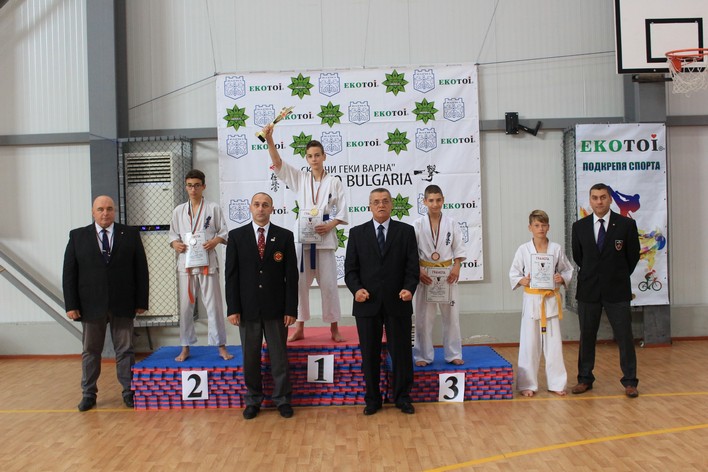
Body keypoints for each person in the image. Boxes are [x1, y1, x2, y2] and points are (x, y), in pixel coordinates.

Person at [62, 195, 149, 412]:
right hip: (91, 305)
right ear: (93, 212)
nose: (105, 213)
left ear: (115, 211)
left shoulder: (130, 234)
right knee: (90, 351)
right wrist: (71, 305)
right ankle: (88, 394)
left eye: (109, 209)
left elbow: (141, 269)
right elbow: (69, 273)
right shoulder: (77, 236)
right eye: (100, 209)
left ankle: (129, 392)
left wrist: (141, 301)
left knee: (125, 350)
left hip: (123, 303)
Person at [263, 124, 348, 342]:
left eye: (317, 155)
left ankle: (334, 328)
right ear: (306, 158)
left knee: (329, 285)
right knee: (299, 284)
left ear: (324, 156)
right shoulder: (300, 178)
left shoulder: (334, 182)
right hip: (303, 239)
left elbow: (342, 211)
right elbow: (278, 163)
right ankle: (299, 326)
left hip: (325, 239)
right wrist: (270, 140)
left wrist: (331, 225)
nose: (314, 159)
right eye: (310, 156)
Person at [345, 188, 419, 415]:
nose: (381, 205)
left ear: (391, 205)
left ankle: (402, 397)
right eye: (376, 202)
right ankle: (372, 399)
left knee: (402, 354)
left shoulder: (406, 232)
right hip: (367, 303)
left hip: (398, 302)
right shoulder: (357, 233)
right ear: (369, 206)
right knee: (369, 355)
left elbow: (412, 267)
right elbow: (350, 270)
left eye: (385, 201)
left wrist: (409, 288)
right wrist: (356, 290)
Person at [225, 192, 298, 419]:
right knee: (250, 358)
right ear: (250, 207)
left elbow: (291, 277)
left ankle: (282, 399)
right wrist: (233, 308)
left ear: (272, 209)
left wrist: (291, 309)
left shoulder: (284, 236)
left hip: (276, 310)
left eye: (265, 205)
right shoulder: (236, 237)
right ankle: (253, 400)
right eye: (257, 204)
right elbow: (231, 276)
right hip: (247, 309)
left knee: (279, 358)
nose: (260, 208)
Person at [571, 183, 641, 398]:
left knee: (624, 336)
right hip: (589, 289)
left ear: (610, 199)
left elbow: (633, 256)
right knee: (587, 335)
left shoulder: (626, 225)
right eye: (595, 197)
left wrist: (616, 275)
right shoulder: (579, 226)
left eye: (603, 197)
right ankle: (585, 379)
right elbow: (579, 257)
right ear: (590, 200)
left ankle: (630, 381)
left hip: (617, 289)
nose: (599, 201)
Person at [509, 210, 574, 397]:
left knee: (554, 345)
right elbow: (514, 273)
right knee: (529, 344)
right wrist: (522, 280)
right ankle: (527, 384)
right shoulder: (523, 249)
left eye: (544, 225)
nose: (541, 229)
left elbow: (567, 270)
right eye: (537, 225)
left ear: (548, 227)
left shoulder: (556, 249)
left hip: (550, 300)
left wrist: (561, 278)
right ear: (530, 227)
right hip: (531, 300)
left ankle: (557, 383)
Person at [169, 169, 232, 362]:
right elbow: (173, 236)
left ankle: (221, 346)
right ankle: (185, 346)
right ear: (185, 187)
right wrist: (176, 244)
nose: (193, 189)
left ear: (203, 186)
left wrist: (215, 241)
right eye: (189, 185)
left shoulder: (213, 208)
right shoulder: (179, 211)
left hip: (207, 263)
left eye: (197, 185)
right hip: (186, 265)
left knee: (214, 305)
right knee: (185, 308)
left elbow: (224, 232)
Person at [412, 185, 466, 367]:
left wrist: (457, 266)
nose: (435, 204)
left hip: (447, 275)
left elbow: (458, 247)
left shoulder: (452, 223)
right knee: (423, 318)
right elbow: (411, 251)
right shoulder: (418, 224)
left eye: (438, 200)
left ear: (443, 200)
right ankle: (422, 355)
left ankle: (453, 353)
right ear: (424, 202)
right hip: (425, 275)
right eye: (431, 200)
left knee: (451, 317)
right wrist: (418, 270)